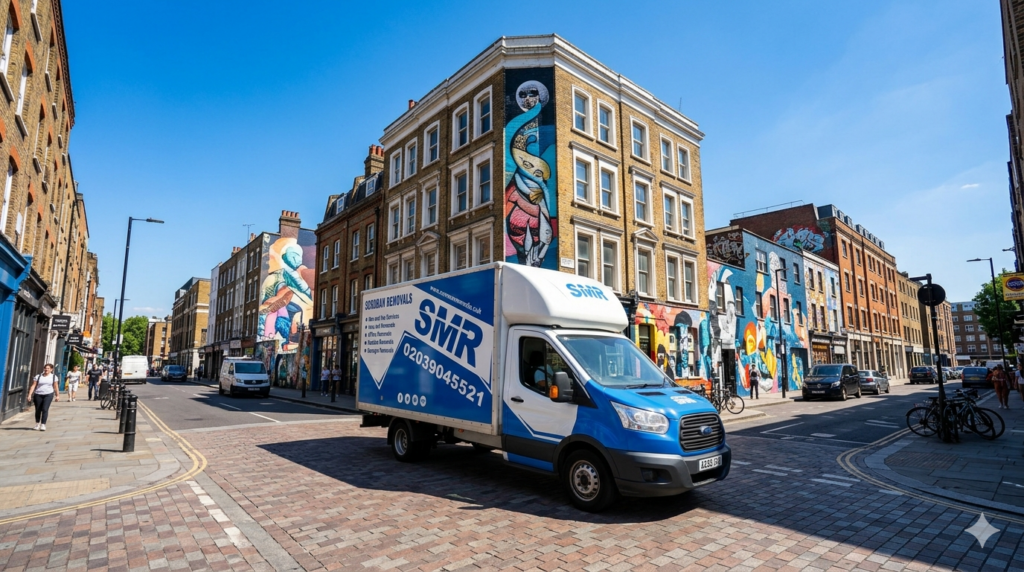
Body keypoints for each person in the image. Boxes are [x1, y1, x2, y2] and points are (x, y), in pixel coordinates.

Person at [26, 364, 58, 431]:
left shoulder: (54, 377)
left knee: (45, 409)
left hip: (48, 394)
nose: (46, 369)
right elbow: (33, 385)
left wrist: (57, 395)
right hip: (38, 394)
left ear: (51, 369)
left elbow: (55, 386)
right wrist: (29, 395)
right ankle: (37, 424)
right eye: (45, 368)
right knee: (38, 409)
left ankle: (43, 424)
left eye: (48, 368)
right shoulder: (38, 376)